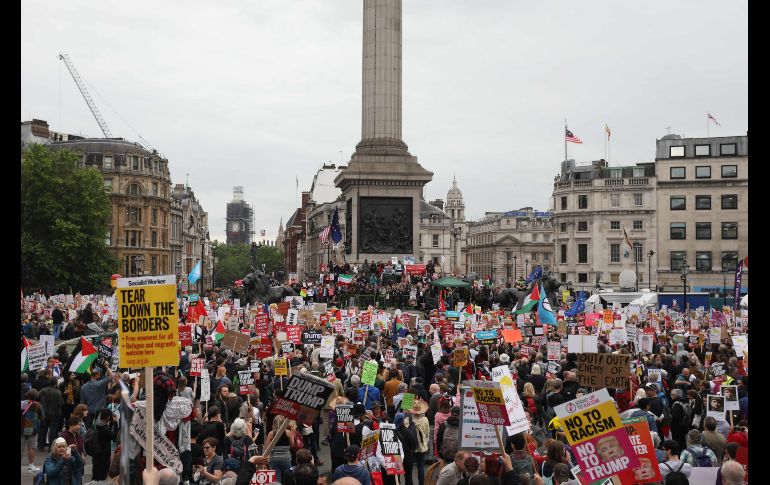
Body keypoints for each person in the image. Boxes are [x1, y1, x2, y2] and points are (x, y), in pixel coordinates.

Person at [266, 415, 296, 482]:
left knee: (277, 480)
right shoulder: (288, 432)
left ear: (274, 423)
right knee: (287, 478)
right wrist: (293, 434)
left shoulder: (271, 434)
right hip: (286, 459)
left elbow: (267, 448)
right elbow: (292, 445)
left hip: (275, 459)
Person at [22, 388, 44, 474]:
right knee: (31, 447)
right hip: (32, 428)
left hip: (21, 427)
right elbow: (42, 417)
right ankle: (31, 466)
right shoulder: (37, 405)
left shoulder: (22, 403)